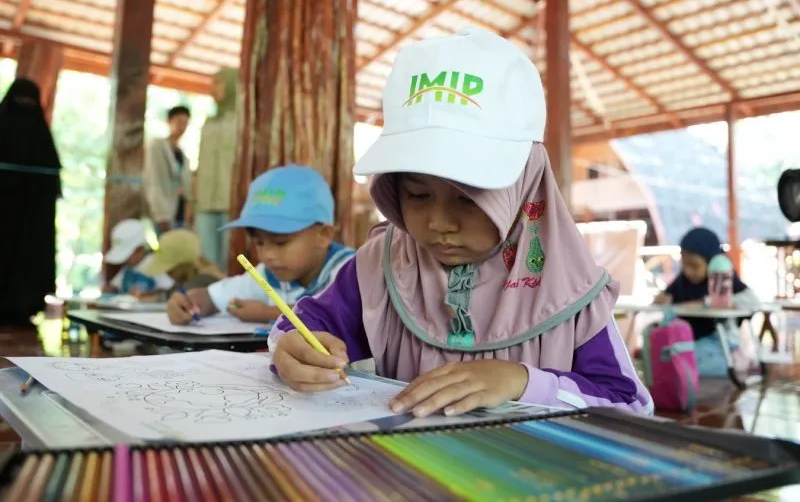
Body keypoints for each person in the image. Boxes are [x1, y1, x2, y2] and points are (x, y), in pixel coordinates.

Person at [268, 27, 653, 417]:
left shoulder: (569, 289)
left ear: (524, 186)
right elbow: (304, 325)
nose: (439, 223)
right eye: (417, 195)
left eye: (469, 199)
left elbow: (630, 406)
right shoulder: (381, 269)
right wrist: (292, 348)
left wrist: (522, 382)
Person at [167, 165, 355, 325]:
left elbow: (338, 315)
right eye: (259, 243)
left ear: (323, 235)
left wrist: (267, 313)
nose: (267, 255)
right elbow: (213, 298)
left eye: (280, 243)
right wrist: (188, 303)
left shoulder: (351, 271)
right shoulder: (269, 275)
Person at [653, 227, 761, 377]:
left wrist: (708, 302)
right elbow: (665, 296)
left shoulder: (721, 277)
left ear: (711, 261)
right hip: (689, 340)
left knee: (684, 363)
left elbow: (753, 300)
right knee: (671, 358)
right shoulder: (682, 280)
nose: (688, 271)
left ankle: (737, 361)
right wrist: (662, 298)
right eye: (685, 265)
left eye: (695, 266)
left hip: (718, 340)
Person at [0, 78, 61, 322]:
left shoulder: (42, 143)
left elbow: (51, 185)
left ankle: (26, 304)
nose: (24, 108)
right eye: (20, 102)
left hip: (31, 222)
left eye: (29, 103)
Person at [194, 68, 238, 273]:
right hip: (205, 203)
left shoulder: (242, 120)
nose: (212, 88)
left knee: (231, 260)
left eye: (218, 82)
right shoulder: (209, 123)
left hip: (231, 203)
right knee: (206, 263)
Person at [143, 105, 192, 235]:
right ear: (169, 121)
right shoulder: (157, 146)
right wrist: (160, 214)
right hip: (163, 212)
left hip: (179, 212)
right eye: (179, 121)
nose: (182, 126)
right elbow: (154, 179)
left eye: (185, 123)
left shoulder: (183, 154)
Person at [104, 219, 174, 296]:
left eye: (127, 257)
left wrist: (147, 296)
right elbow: (114, 286)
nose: (124, 261)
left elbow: (168, 290)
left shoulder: (155, 264)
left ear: (140, 250)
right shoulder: (127, 269)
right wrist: (109, 290)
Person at [141, 229, 224, 292]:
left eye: (170, 271)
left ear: (181, 266)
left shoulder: (203, 283)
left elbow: (176, 295)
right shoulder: (197, 276)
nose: (167, 274)